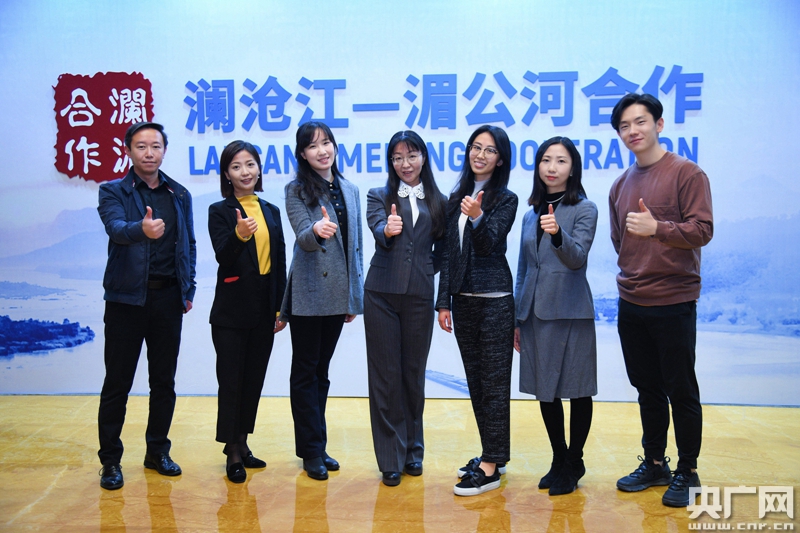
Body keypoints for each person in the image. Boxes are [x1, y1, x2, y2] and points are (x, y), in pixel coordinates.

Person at [608, 93, 713, 507]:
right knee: (647, 389)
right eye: (624, 126)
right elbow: (619, 241)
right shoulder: (620, 184)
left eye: (640, 122)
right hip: (631, 301)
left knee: (680, 389)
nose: (632, 131)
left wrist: (658, 228)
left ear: (659, 124)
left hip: (673, 300)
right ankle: (655, 463)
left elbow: (702, 230)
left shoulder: (687, 173)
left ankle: (688, 471)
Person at [96, 122, 196, 490]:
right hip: (126, 299)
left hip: (168, 298)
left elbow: (189, 244)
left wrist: (188, 288)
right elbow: (116, 228)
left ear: (164, 151)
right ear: (128, 151)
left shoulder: (179, 193)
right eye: (141, 146)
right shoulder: (113, 190)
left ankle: (157, 451)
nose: (149, 152)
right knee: (117, 383)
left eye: (155, 146)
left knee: (163, 382)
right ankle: (110, 461)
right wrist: (142, 229)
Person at [436, 125, 518, 496]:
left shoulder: (506, 199)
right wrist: (443, 301)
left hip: (495, 299)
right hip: (463, 301)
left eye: (489, 150)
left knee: (495, 385)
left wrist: (478, 216)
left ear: (500, 159)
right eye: (475, 147)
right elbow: (448, 255)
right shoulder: (455, 198)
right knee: (476, 383)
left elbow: (488, 244)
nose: (480, 155)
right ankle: (492, 453)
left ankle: (490, 466)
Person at [279, 121, 364, 481]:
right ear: (302, 154)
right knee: (305, 371)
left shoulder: (350, 189)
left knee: (322, 373)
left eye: (326, 142)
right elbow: (302, 234)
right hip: (310, 291)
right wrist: (315, 230)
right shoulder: (296, 189)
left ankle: (318, 445)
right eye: (313, 146)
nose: (322, 150)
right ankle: (310, 450)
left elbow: (356, 248)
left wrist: (353, 297)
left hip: (338, 294)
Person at [513, 137, 598, 496]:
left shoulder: (585, 208)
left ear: (573, 168)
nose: (552, 167)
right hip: (534, 313)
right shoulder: (530, 214)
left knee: (577, 389)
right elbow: (523, 268)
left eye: (561, 161)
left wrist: (559, 234)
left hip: (571, 312)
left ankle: (575, 460)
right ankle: (559, 457)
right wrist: (517, 317)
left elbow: (578, 258)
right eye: (546, 160)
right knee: (545, 391)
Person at [364, 131, 447, 487]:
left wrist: (427, 270)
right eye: (397, 158)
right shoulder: (378, 195)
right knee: (385, 379)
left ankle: (413, 451)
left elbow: (445, 250)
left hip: (419, 295)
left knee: (413, 376)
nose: (405, 164)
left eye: (411, 156)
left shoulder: (440, 201)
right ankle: (390, 458)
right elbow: (377, 228)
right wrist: (388, 229)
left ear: (423, 158)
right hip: (380, 294)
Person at [208, 141, 287, 483]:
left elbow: (279, 260)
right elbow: (223, 257)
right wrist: (239, 236)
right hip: (231, 312)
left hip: (264, 309)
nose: (245, 172)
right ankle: (232, 452)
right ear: (227, 174)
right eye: (236, 166)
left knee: (253, 380)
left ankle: (242, 441)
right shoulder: (219, 210)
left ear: (259, 168)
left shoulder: (271, 210)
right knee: (231, 382)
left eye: (250, 164)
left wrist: (282, 307)